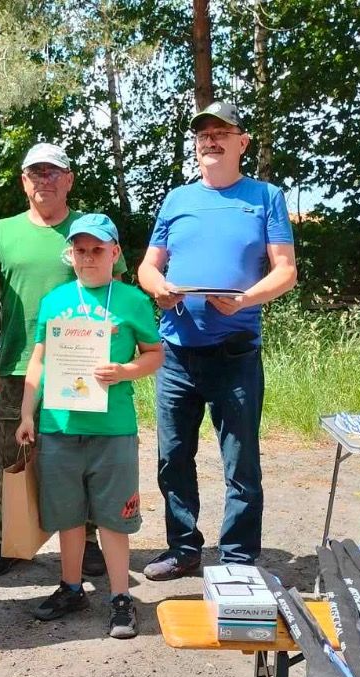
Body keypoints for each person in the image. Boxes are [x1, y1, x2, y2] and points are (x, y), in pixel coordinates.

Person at [137, 101, 297, 579]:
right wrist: (157, 288)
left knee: (241, 463)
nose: (210, 140)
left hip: (235, 355)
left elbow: (285, 271)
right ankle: (184, 550)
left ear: (241, 142)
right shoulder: (177, 199)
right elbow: (148, 265)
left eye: (221, 132)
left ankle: (239, 559)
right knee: (172, 458)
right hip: (176, 354)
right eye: (203, 134)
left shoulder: (266, 197)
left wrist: (246, 299)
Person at [0, 142, 127, 577]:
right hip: (19, 365)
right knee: (11, 456)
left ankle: (89, 540)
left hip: (81, 365)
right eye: (36, 173)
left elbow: (114, 291)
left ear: (69, 179)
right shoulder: (1, 233)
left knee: (83, 454)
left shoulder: (91, 229)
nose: (45, 180)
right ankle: (9, 540)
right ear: (24, 182)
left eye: (54, 172)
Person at [16, 214, 162, 638]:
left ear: (114, 252)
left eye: (97, 250)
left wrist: (126, 371)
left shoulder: (132, 300)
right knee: (68, 515)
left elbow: (155, 354)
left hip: (113, 429)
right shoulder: (56, 299)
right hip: (59, 425)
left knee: (114, 519)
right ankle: (72, 586)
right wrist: (28, 412)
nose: (87, 258)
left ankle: (120, 598)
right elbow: (39, 361)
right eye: (80, 250)